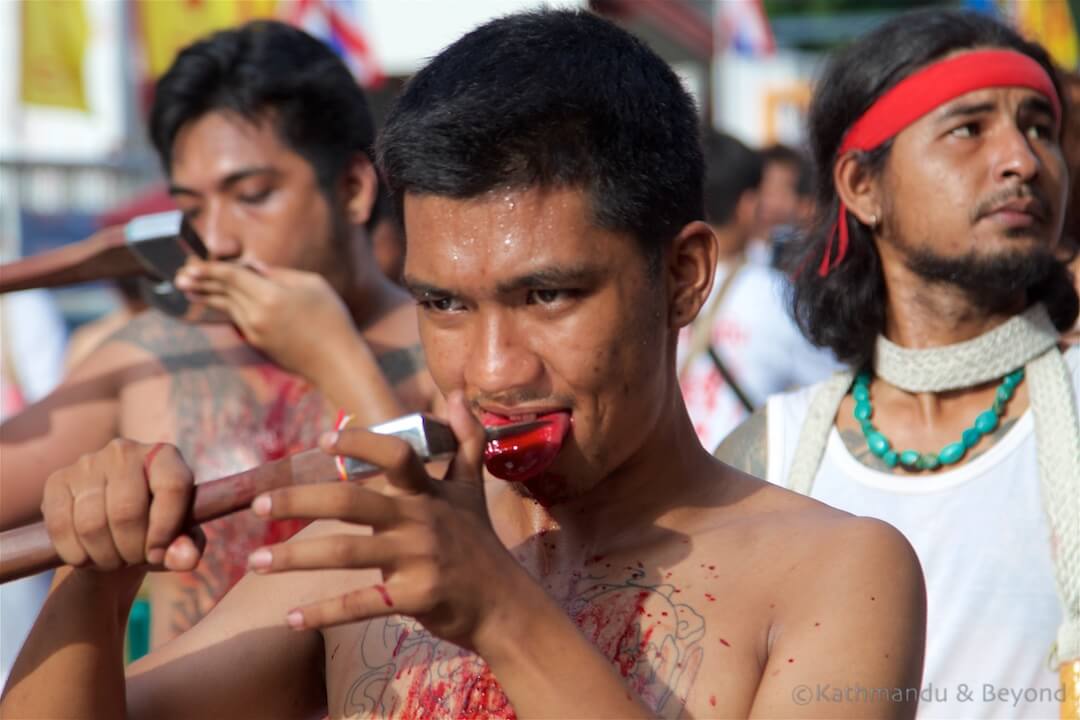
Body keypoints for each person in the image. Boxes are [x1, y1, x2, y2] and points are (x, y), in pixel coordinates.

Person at [0, 10, 927, 719]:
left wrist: (501, 614)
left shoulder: (839, 572)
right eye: (442, 303)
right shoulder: (373, 546)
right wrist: (95, 578)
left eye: (548, 296)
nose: (492, 370)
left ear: (682, 276)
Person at [0, 20, 439, 648]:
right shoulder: (157, 354)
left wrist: (337, 358)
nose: (221, 239)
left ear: (352, 188)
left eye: (252, 195)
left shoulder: (453, 347)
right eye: (194, 209)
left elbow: (461, 559)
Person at [717, 10, 1079, 718]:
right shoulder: (769, 457)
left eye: (1040, 127)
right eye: (968, 129)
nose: (1023, 161)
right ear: (861, 186)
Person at [679, 132, 837, 450]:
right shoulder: (774, 296)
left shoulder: (650, 288)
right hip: (741, 481)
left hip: (668, 475)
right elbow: (837, 383)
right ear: (748, 205)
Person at [746, 143, 812, 267]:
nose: (774, 201)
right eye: (767, 189)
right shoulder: (736, 248)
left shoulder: (803, 253)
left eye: (783, 190)